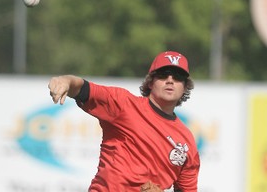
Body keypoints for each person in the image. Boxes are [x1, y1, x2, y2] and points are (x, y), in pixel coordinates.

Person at [48, 51, 200, 192]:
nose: (170, 80)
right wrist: (66, 81)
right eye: (163, 75)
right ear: (150, 82)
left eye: (177, 77)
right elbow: (83, 88)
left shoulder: (187, 142)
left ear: (185, 87)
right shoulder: (124, 104)